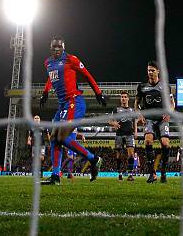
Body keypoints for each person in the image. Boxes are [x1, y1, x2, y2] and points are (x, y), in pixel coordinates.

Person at [40, 36, 107, 185]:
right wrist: (45, 92)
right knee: (53, 139)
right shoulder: (48, 62)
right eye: (54, 47)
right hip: (62, 105)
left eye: (59, 47)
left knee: (61, 137)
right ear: (51, 49)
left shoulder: (71, 59)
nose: (57, 50)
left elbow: (87, 75)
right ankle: (55, 176)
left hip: (74, 102)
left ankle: (93, 159)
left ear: (63, 48)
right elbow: (51, 77)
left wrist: (98, 93)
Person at [135, 60, 174, 183]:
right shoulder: (142, 87)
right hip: (149, 119)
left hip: (162, 119)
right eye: (148, 70)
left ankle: (163, 172)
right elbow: (136, 104)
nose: (150, 72)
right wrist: (140, 115)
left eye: (152, 70)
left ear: (158, 71)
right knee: (147, 141)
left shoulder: (165, 86)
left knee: (165, 144)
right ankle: (152, 173)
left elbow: (172, 104)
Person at [110, 91, 138, 181]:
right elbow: (110, 121)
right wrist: (114, 123)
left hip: (130, 134)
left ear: (128, 98)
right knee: (119, 155)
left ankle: (130, 174)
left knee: (131, 154)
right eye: (122, 97)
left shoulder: (132, 110)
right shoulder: (116, 110)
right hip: (119, 134)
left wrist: (136, 131)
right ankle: (120, 173)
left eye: (125, 97)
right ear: (120, 99)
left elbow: (134, 121)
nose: (123, 98)